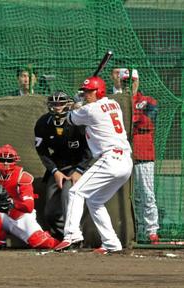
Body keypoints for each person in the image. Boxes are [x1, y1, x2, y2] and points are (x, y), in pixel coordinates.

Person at [54, 76, 133, 254]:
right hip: (125, 163)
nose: (87, 94)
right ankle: (112, 243)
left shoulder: (90, 110)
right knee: (95, 201)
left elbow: (69, 118)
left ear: (100, 91)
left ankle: (72, 235)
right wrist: (81, 102)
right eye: (85, 92)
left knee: (75, 192)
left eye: (90, 91)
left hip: (110, 159)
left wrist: (77, 103)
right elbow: (87, 111)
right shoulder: (115, 104)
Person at [0, 144, 60, 249]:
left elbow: (29, 207)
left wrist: (11, 202)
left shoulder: (22, 177)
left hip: (20, 216)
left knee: (40, 242)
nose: (5, 163)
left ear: (15, 161)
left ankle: (58, 244)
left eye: (9, 160)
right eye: (2, 159)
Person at [34, 91, 92, 240]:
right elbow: (41, 150)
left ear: (68, 104)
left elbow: (90, 149)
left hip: (78, 166)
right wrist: (54, 171)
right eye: (54, 104)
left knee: (69, 198)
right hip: (58, 167)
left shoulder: (79, 122)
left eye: (61, 103)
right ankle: (63, 237)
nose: (57, 107)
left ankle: (74, 237)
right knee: (50, 213)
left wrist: (79, 170)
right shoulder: (42, 123)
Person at [119, 68, 160, 244]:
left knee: (147, 194)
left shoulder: (148, 101)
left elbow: (148, 122)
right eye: (126, 82)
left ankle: (152, 230)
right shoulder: (117, 101)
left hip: (144, 155)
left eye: (132, 81)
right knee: (128, 196)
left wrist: (131, 121)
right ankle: (134, 230)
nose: (130, 85)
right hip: (122, 156)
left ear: (138, 81)